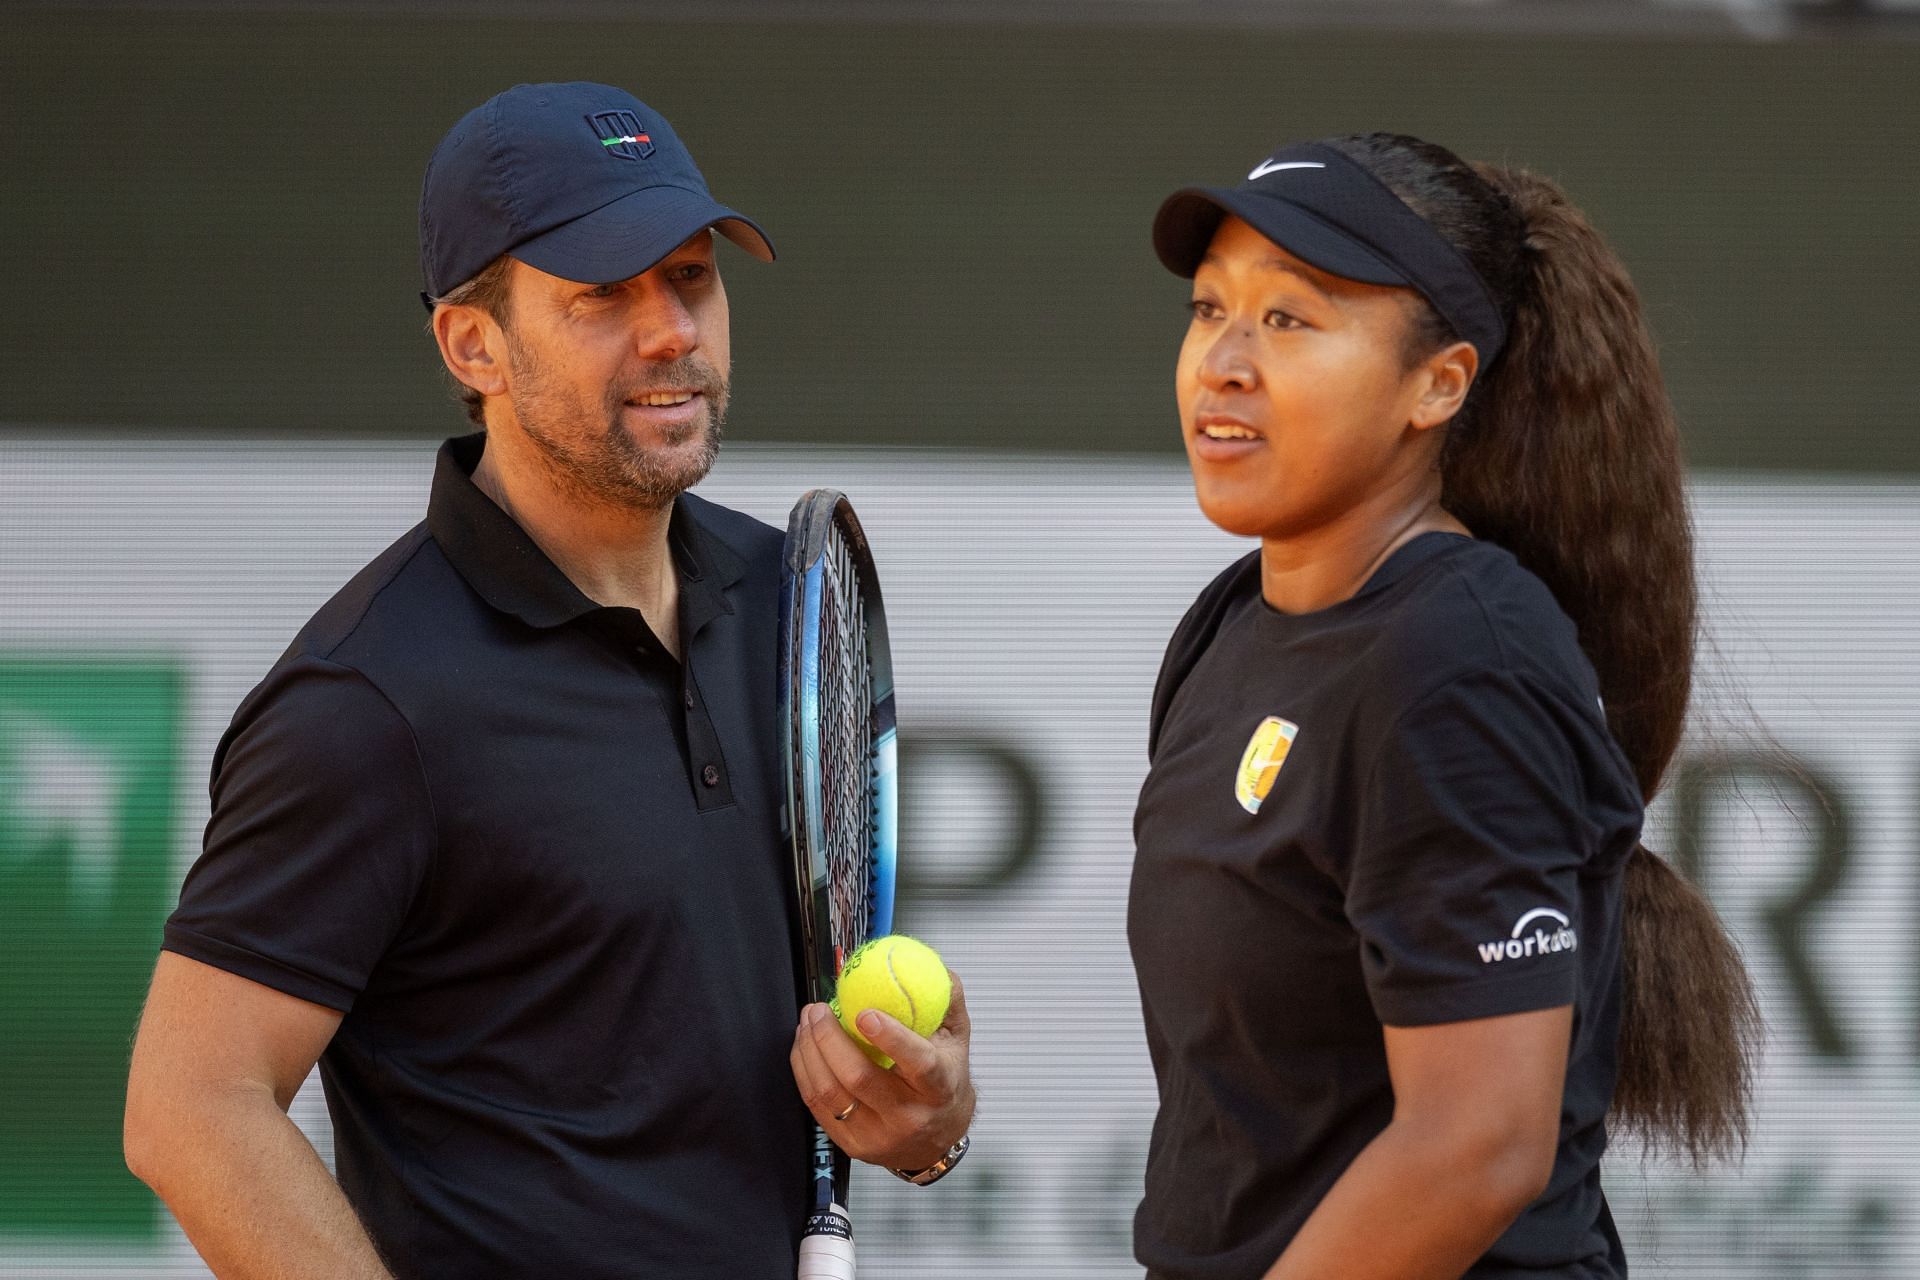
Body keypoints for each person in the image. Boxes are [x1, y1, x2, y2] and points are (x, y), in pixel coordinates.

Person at [122, 82, 974, 1280]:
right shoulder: (369, 702)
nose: (673, 329)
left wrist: (927, 1124)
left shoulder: (789, 594)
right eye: (603, 296)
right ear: (474, 344)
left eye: (690, 277)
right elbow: (189, 1106)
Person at [1127, 134, 1761, 1280]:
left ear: (1440, 382)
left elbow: (1478, 1145)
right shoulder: (1228, 627)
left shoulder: (1462, 659)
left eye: (1290, 319)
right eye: (1208, 306)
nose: (1222, 360)